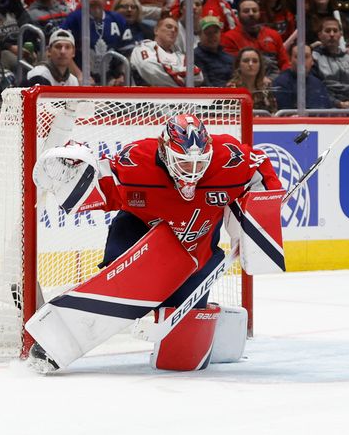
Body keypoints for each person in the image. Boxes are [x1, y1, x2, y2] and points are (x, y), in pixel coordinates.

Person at [27, 113, 282, 372]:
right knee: (127, 279)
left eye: (198, 164)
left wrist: (261, 212)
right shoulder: (136, 161)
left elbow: (260, 167)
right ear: (164, 150)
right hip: (138, 235)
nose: (192, 173)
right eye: (183, 163)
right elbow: (98, 188)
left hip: (196, 253)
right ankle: (77, 324)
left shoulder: (230, 159)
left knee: (182, 362)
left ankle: (206, 316)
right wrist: (73, 170)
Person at [220, 0, 290, 79]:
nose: (251, 14)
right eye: (246, 11)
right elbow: (233, 69)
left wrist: (284, 80)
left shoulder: (273, 34)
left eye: (254, 10)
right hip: (245, 83)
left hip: (276, 82)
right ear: (238, 15)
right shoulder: (229, 38)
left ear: (259, 13)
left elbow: (284, 63)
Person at [131, 16, 203, 87]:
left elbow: (198, 76)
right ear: (156, 30)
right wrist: (181, 80)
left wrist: (168, 69)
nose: (173, 30)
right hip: (147, 96)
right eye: (169, 27)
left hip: (177, 97)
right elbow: (152, 71)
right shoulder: (144, 47)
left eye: (176, 29)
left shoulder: (180, 56)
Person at [311, 17, 349, 108]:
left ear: (341, 34)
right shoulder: (313, 59)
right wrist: (337, 103)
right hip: (325, 107)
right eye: (327, 31)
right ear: (320, 35)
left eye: (335, 31)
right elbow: (314, 88)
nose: (332, 34)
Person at [273, 44, 335, 111]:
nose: (302, 61)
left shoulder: (318, 83)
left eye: (306, 57)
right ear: (290, 60)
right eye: (298, 57)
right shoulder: (281, 83)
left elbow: (327, 110)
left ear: (312, 61)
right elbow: (285, 114)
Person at [227, 46, 277, 113]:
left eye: (255, 61)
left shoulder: (266, 87)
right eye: (246, 61)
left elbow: (273, 113)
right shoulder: (231, 89)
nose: (250, 64)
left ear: (260, 65)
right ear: (238, 65)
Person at [194, 15, 234, 88]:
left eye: (215, 32)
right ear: (199, 35)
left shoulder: (229, 57)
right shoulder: (194, 56)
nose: (212, 36)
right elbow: (203, 84)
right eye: (208, 33)